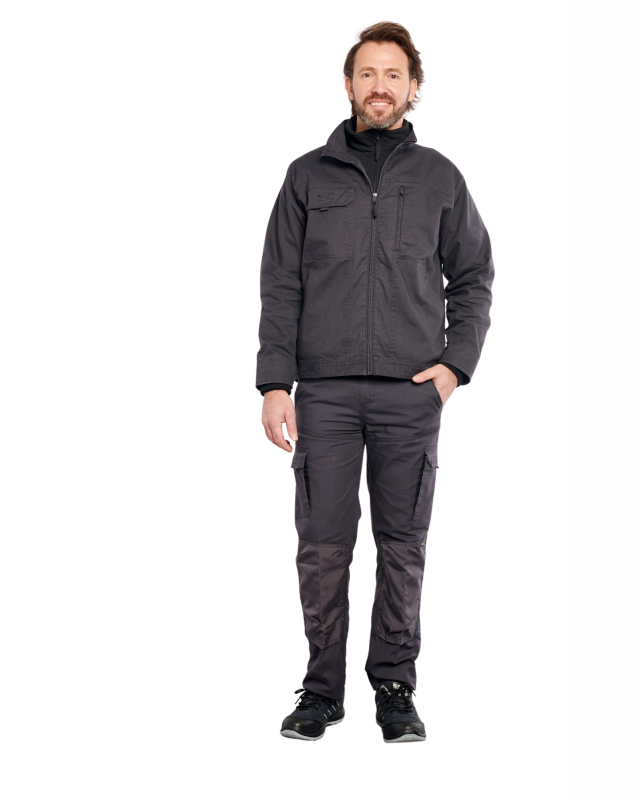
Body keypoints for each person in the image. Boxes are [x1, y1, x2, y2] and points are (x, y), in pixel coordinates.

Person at [255, 20, 494, 744]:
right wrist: (275, 383)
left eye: (394, 74)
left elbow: (475, 277)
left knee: (403, 544)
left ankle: (395, 684)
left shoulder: (442, 177)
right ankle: (320, 689)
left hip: (409, 394)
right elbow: (279, 283)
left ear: (415, 89)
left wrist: (454, 368)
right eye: (367, 74)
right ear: (347, 84)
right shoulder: (305, 175)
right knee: (321, 547)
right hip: (321, 393)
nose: (380, 86)